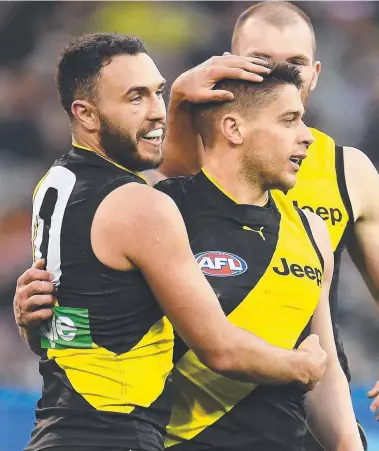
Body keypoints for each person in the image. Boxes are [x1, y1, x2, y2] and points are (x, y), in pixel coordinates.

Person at [16, 33, 330, 451]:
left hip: (57, 430)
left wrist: (29, 325)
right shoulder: (141, 205)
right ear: (86, 115)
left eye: (158, 93)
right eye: (135, 98)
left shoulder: (54, 186)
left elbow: (72, 329)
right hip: (116, 435)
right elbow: (220, 349)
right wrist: (302, 367)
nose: (156, 113)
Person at [158, 0, 379, 446]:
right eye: (259, 62)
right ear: (227, 64)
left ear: (314, 75)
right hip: (193, 416)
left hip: (305, 406)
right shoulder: (194, 159)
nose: (278, 74)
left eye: (294, 63)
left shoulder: (346, 173)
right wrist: (177, 102)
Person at [159, 62, 364, 451]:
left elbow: (324, 368)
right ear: (234, 128)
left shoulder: (310, 230)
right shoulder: (165, 211)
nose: (307, 138)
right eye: (289, 120)